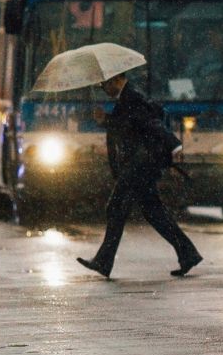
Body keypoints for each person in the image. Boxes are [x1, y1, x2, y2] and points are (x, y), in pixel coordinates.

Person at [77, 70, 203, 279]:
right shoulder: (127, 98)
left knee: (116, 207)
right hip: (140, 165)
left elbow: (151, 124)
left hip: (140, 165)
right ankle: (188, 253)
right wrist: (104, 120)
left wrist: (174, 145)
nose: (104, 89)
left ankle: (103, 261)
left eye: (105, 84)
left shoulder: (132, 97)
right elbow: (128, 126)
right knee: (154, 212)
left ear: (117, 79)